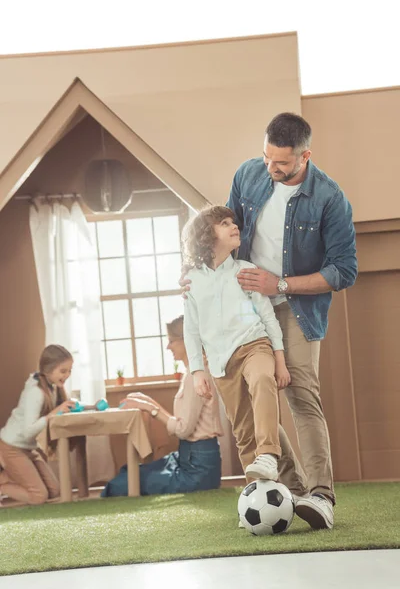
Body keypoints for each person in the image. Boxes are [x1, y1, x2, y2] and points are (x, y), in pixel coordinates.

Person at [224, 112, 357, 529]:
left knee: (300, 395)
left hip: (296, 306)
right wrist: (199, 270)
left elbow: (343, 270)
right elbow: (225, 232)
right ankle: (294, 488)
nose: (271, 168)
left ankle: (320, 497)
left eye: (281, 163)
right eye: (267, 158)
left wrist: (279, 284)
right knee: (252, 392)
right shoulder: (249, 174)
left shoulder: (329, 198)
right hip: (247, 307)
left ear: (304, 157)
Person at [182, 205, 291, 483]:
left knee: (262, 380)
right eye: (225, 223)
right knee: (242, 430)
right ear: (207, 235)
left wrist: (279, 360)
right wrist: (197, 371)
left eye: (234, 222)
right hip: (220, 362)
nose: (234, 227)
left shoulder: (246, 271)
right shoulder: (191, 281)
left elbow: (268, 317)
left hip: (255, 345)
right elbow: (191, 330)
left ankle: (268, 453)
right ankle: (257, 493)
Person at [101, 315, 223, 497]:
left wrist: (151, 408)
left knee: (122, 484)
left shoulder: (196, 375)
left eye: (171, 341)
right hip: (188, 458)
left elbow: (182, 429)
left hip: (197, 470)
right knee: (130, 472)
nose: (168, 346)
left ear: (187, 340)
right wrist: (146, 402)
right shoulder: (192, 372)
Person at [0, 345, 75, 506]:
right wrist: (52, 414)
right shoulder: (35, 392)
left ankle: (14, 473)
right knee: (38, 496)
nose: (67, 375)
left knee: (54, 490)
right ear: (48, 370)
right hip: (11, 446)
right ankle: (2, 482)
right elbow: (28, 432)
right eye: (63, 371)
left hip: (27, 448)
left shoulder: (52, 387)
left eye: (69, 370)